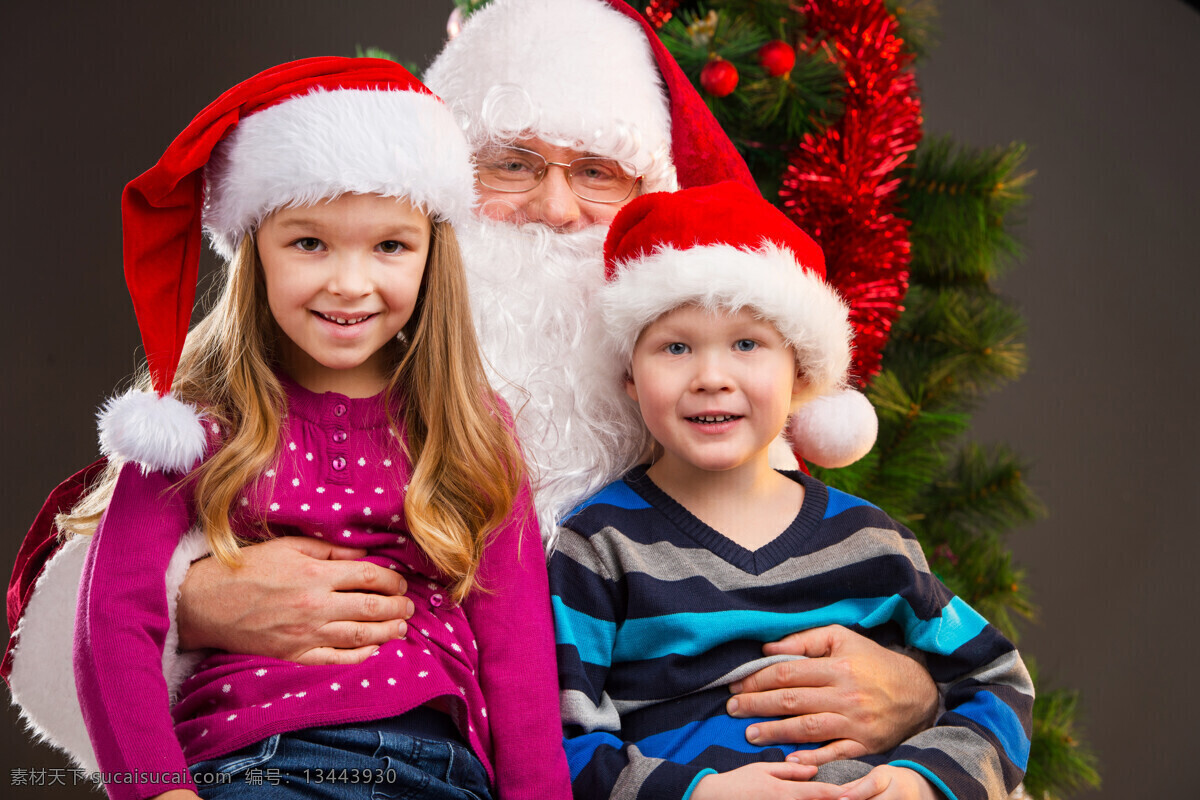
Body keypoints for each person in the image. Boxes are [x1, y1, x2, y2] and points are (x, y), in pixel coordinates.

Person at [5, 0, 937, 774]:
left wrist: (922, 691)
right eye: (515, 165)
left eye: (599, 175)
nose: (557, 210)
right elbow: (80, 626)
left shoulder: (705, 401)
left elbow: (848, 589)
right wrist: (195, 601)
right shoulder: (227, 413)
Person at [66, 57, 570, 800]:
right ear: (253, 252)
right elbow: (111, 618)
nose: (350, 282)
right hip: (256, 761)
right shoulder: (197, 421)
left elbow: (518, 654)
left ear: (433, 258)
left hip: (437, 769)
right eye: (310, 243)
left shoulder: (466, 426)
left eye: (389, 246)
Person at [551, 182, 1033, 799]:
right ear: (628, 376)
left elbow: (997, 682)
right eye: (675, 347)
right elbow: (562, 741)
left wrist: (923, 782)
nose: (712, 378)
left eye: (747, 345)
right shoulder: (598, 545)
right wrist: (697, 794)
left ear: (800, 370)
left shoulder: (869, 539)